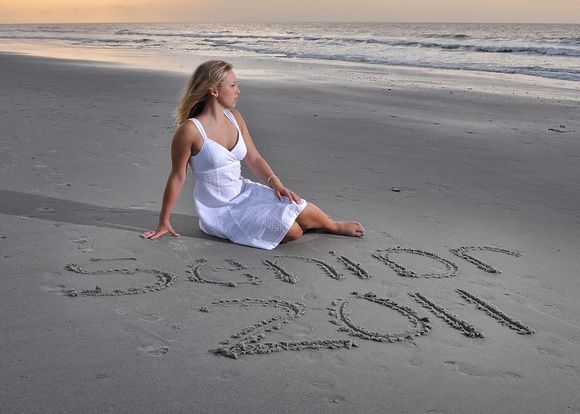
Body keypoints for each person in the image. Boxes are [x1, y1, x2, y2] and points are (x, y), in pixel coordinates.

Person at [141, 60, 364, 250]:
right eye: (233, 85)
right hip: (220, 209)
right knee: (294, 232)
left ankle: (333, 226)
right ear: (214, 90)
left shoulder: (235, 117)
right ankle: (307, 223)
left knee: (298, 205)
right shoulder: (190, 130)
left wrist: (276, 184)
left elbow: (254, 158)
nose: (238, 90)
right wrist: (163, 221)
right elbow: (177, 176)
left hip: (244, 192)